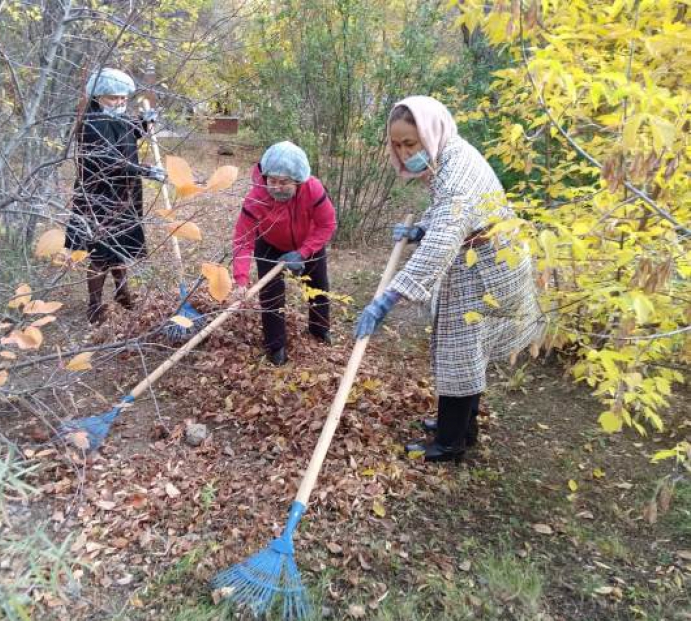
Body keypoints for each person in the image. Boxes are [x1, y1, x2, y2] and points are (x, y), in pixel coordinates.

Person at [355, 96, 544, 463]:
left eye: (410, 142)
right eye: (397, 144)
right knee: (466, 351)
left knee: (460, 351)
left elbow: (444, 239)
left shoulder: (456, 172)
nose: (404, 150)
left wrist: (388, 298)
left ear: (431, 132)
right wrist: (420, 228)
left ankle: (449, 443)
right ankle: (460, 427)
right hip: (481, 260)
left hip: (488, 271)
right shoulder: (449, 155)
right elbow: (446, 215)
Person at [66, 68, 166, 325]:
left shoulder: (114, 117)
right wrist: (146, 170)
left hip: (123, 194)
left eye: (123, 98)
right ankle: (95, 306)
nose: (120, 103)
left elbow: (128, 132)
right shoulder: (91, 123)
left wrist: (145, 122)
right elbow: (110, 161)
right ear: (98, 97)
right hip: (99, 197)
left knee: (118, 249)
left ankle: (123, 295)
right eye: (113, 98)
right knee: (100, 253)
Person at [232, 141, 337, 365]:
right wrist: (240, 280)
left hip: (308, 241)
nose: (277, 187)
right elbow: (243, 240)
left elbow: (327, 224)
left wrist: (303, 252)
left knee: (318, 286)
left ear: (297, 180)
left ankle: (320, 329)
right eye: (273, 181)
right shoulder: (256, 198)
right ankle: (276, 346)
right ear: (265, 176)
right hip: (269, 243)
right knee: (271, 295)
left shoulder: (313, 189)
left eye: (284, 182)